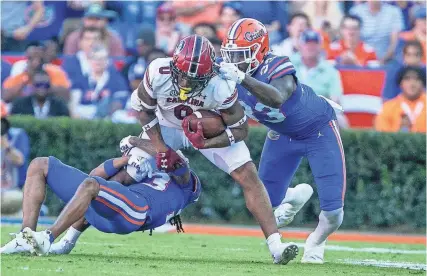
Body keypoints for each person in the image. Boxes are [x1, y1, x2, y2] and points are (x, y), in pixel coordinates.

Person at [130, 34, 298, 265]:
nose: (187, 85)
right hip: (167, 126)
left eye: (195, 79)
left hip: (206, 131)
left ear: (209, 73)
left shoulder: (220, 84)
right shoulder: (158, 70)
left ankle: (276, 245)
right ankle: (73, 232)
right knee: (132, 168)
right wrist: (160, 148)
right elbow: (144, 111)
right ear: (173, 64)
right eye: (184, 77)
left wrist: (207, 143)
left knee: (248, 175)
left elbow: (240, 130)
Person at [218, 18, 346, 264]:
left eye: (242, 54)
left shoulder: (276, 64)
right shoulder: (228, 75)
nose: (235, 61)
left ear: (260, 50)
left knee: (333, 213)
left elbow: (277, 98)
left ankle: (316, 241)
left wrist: (242, 78)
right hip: (282, 134)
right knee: (265, 202)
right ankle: (293, 197)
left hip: (318, 129)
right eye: (231, 55)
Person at [0, 138, 200, 255]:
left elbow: (176, 163)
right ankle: (26, 236)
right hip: (116, 209)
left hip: (137, 213)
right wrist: (127, 159)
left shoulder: (186, 182)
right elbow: (95, 179)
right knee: (40, 164)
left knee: (91, 187)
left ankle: (47, 237)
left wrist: (135, 141)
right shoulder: (141, 171)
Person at [0, 101, 30, 215]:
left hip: (11, 191)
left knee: (14, 197)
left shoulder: (17, 135)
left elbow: (19, 160)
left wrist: (6, 146)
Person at [376, 66, 426, 133]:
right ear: (400, 84)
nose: (412, 84)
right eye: (407, 79)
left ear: (423, 84)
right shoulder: (388, 107)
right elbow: (382, 137)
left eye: (417, 79)